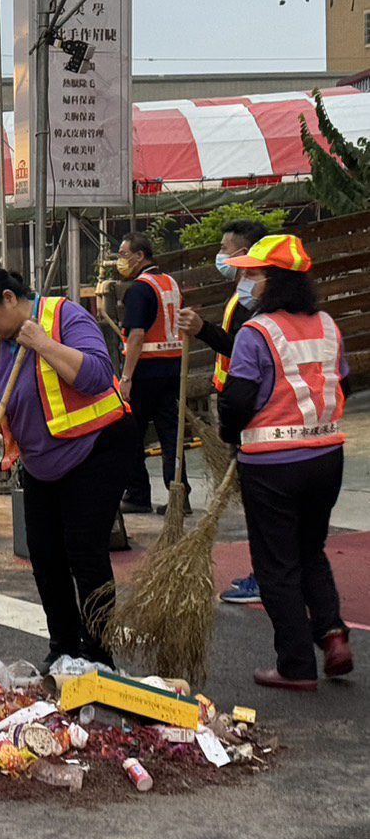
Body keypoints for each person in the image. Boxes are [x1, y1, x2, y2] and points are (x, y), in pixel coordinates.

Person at [0, 266, 135, 670]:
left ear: (9, 298)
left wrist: (43, 343)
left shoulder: (65, 316)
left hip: (97, 448)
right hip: (42, 461)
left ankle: (98, 655)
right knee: (44, 553)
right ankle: (64, 647)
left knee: (85, 551)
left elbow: (96, 375)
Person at [218, 235, 352, 691]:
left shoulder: (257, 333)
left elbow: (236, 399)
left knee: (276, 565)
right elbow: (344, 387)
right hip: (326, 457)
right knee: (310, 550)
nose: (243, 280)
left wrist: (228, 435)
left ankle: (296, 666)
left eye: (251, 273)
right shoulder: (328, 326)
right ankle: (332, 636)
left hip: (272, 465)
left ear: (272, 280)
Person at [179, 218, 270, 605]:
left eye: (226, 249)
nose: (221, 256)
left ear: (247, 254)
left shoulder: (259, 303)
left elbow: (238, 349)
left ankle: (266, 575)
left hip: (250, 409)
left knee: (262, 502)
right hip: (237, 401)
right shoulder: (245, 295)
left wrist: (202, 329)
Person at [115, 231, 187, 515]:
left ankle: (137, 494)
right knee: (172, 436)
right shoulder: (170, 283)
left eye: (123, 254)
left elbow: (136, 336)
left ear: (140, 256)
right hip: (173, 369)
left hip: (145, 373)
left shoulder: (139, 289)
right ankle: (180, 497)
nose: (120, 261)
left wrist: (126, 377)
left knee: (131, 434)